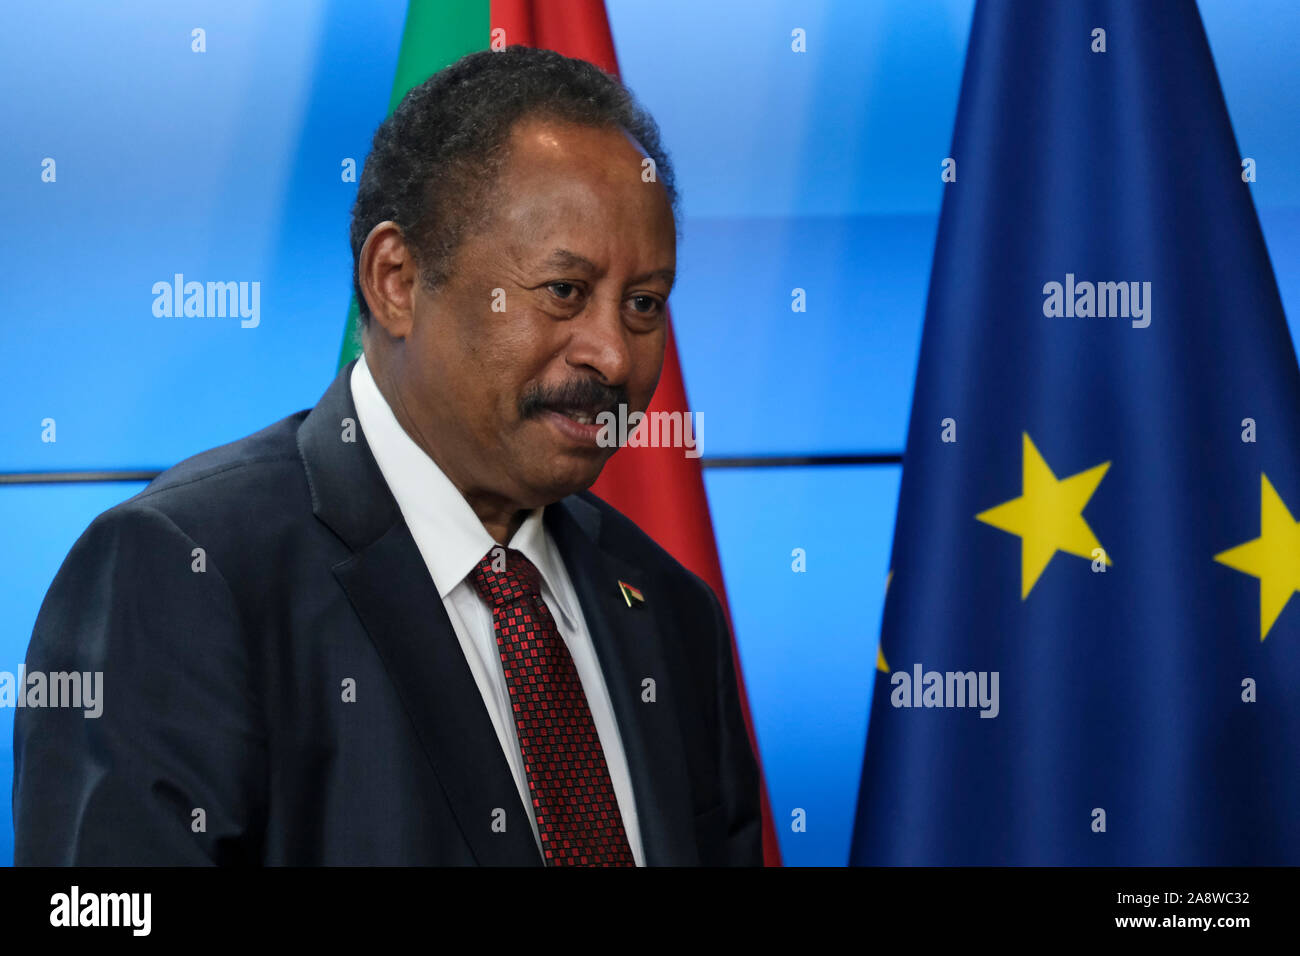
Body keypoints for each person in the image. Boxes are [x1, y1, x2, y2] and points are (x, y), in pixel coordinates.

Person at [13, 46, 762, 866]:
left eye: (645, 303)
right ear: (397, 279)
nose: (614, 356)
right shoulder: (183, 575)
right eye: (564, 292)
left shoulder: (669, 611)